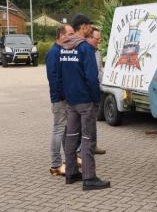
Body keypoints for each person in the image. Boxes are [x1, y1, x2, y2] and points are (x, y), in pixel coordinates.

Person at [59, 14, 110, 190]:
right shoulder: (85, 49)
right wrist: (96, 98)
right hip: (85, 101)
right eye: (89, 26)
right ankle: (89, 178)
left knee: (72, 137)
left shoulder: (64, 47)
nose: (90, 29)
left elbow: (62, 74)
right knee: (88, 138)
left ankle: (71, 173)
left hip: (71, 100)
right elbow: (91, 77)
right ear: (83, 27)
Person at [46, 24, 74, 176]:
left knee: (65, 130)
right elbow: (53, 78)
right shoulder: (54, 53)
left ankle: (68, 160)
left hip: (66, 97)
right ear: (61, 36)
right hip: (59, 99)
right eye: (70, 34)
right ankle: (55, 164)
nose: (72, 36)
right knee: (58, 129)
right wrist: (62, 96)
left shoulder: (63, 51)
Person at [86, 27, 106, 155]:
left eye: (100, 39)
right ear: (89, 38)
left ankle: (93, 145)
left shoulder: (97, 52)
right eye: (96, 39)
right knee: (86, 121)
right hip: (87, 92)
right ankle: (84, 147)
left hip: (97, 89)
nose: (98, 41)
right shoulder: (84, 52)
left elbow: (99, 70)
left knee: (93, 120)